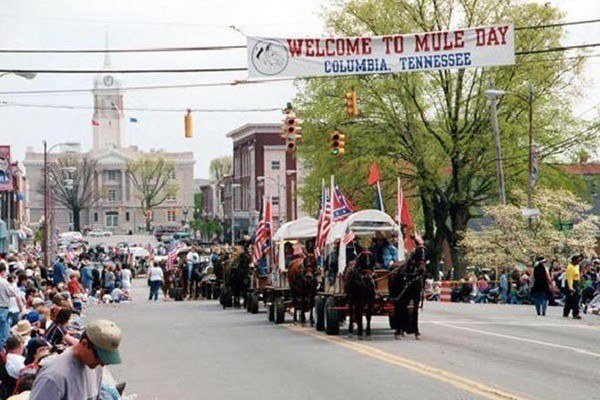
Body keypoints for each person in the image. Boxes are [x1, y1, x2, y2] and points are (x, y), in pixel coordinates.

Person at [29, 319, 122, 400]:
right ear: (84, 344)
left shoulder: (95, 367)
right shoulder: (54, 377)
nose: (102, 364)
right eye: (99, 357)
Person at [0, 262, 22, 350]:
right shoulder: (4, 282)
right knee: (3, 333)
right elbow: (13, 293)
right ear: (2, 271)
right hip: (3, 309)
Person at [564, 255, 582, 319]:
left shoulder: (576, 266)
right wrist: (571, 288)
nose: (578, 262)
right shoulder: (570, 267)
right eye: (577, 260)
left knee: (569, 299)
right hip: (571, 283)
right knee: (575, 299)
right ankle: (575, 314)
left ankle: (566, 312)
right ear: (574, 260)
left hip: (576, 283)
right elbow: (569, 279)